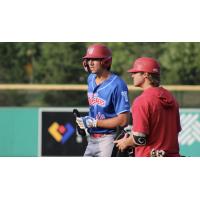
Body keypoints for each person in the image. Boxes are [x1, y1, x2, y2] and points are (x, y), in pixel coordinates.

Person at [114, 57, 181, 157]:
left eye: (135, 72)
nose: (132, 75)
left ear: (146, 74)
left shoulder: (142, 101)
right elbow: (175, 131)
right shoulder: (171, 99)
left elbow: (139, 139)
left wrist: (125, 142)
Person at [76, 44, 130, 157]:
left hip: (108, 139)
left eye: (95, 59)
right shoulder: (90, 78)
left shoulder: (118, 85)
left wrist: (95, 122)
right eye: (88, 59)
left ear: (105, 62)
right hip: (91, 138)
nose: (90, 62)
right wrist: (85, 123)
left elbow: (124, 120)